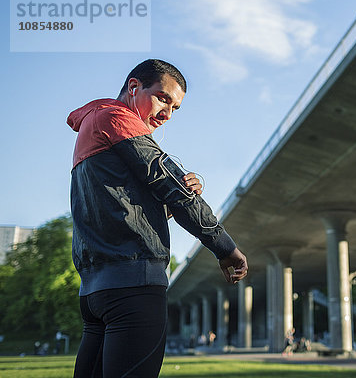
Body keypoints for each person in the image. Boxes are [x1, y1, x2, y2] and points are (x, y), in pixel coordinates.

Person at [68, 59, 248, 377]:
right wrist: (225, 246)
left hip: (95, 292)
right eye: (163, 98)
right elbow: (175, 194)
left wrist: (182, 187)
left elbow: (124, 207)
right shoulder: (118, 119)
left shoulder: (92, 125)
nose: (167, 114)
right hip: (133, 287)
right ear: (135, 87)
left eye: (175, 108)